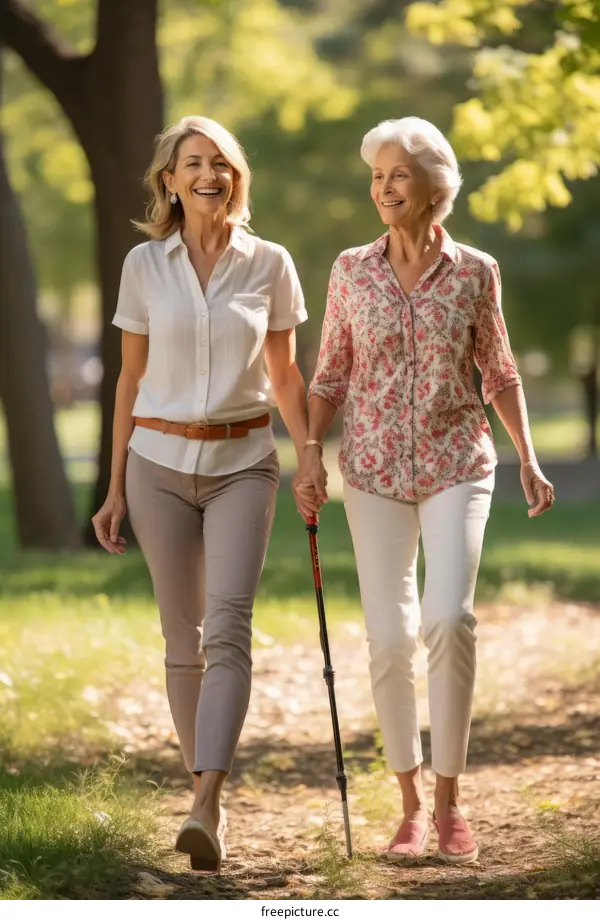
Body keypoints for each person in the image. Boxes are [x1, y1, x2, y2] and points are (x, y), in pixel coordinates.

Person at [296, 117, 555, 865]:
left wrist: (529, 459)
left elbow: (499, 371)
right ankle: (408, 806)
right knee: (387, 636)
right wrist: (310, 453)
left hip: (457, 463)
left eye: (398, 175)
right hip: (371, 470)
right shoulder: (351, 269)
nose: (383, 188)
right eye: (376, 176)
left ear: (434, 188)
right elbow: (331, 373)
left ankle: (450, 802)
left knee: (449, 618)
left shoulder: (476, 271)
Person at [92, 116, 309, 873]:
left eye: (221, 162)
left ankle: (206, 804)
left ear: (236, 176)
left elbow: (284, 375)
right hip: (155, 460)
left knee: (228, 630)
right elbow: (128, 378)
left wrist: (310, 453)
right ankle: (202, 799)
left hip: (244, 460)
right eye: (193, 163)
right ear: (170, 180)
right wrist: (115, 485)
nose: (209, 174)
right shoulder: (144, 265)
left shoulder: (270, 262)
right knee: (180, 642)